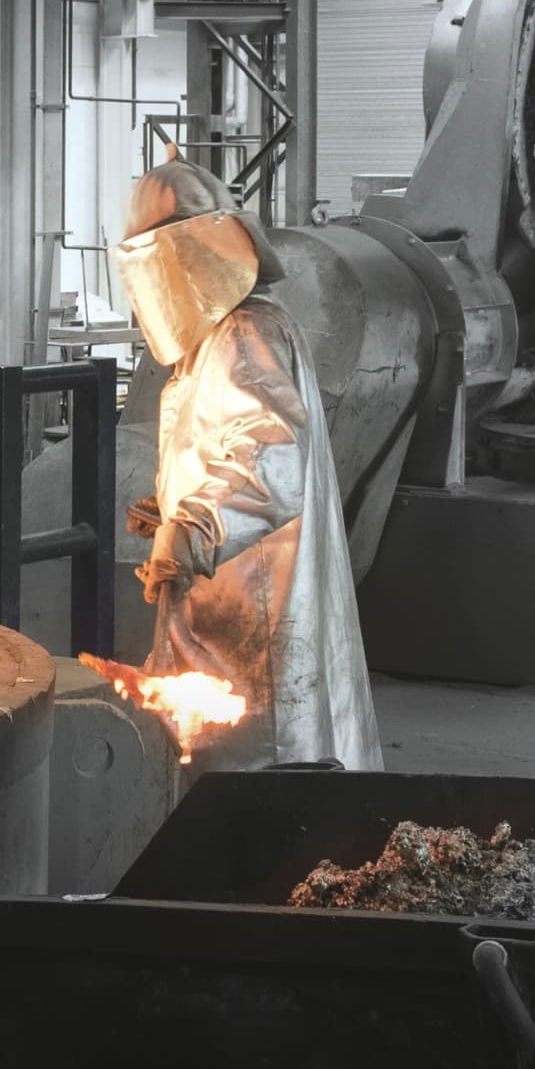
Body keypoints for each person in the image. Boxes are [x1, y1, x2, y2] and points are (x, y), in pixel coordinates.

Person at [112, 159, 385, 772]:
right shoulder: (221, 337)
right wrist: (175, 502)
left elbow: (269, 447)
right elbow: (225, 440)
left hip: (253, 603)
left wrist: (199, 525)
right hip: (228, 592)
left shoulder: (243, 331)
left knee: (258, 763)